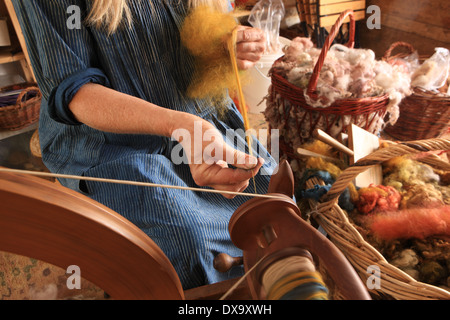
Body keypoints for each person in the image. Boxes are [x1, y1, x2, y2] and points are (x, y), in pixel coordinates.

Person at [13, 0, 277, 290]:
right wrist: (182, 127)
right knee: (188, 239)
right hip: (113, 145)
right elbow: (75, 92)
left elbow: (207, 32)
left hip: (203, 127)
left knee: (276, 204)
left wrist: (231, 47)